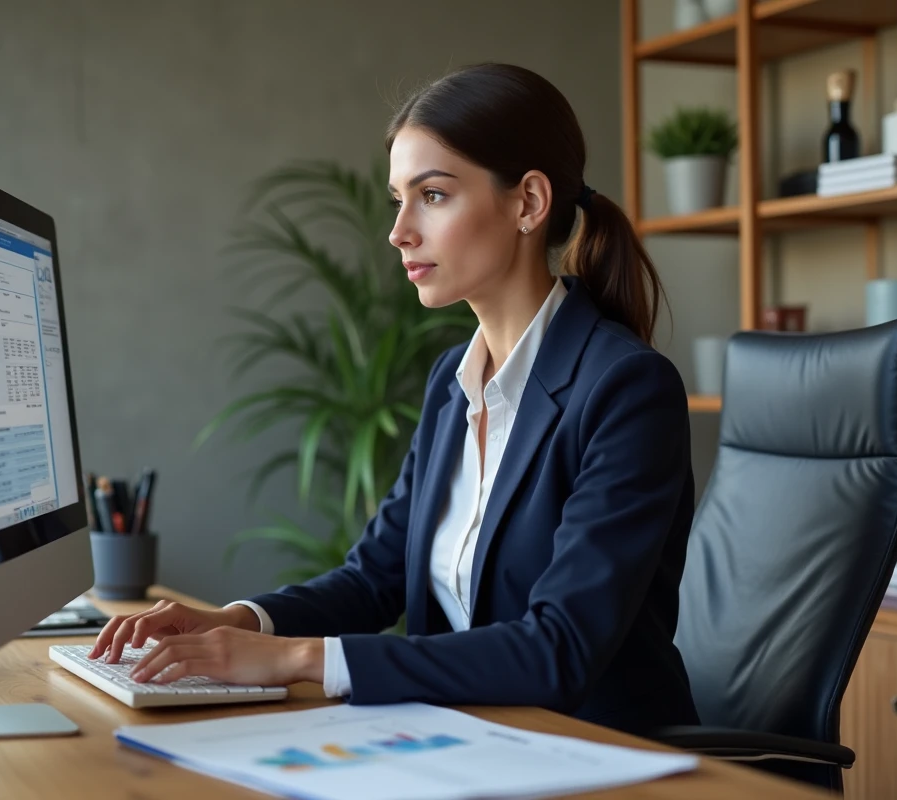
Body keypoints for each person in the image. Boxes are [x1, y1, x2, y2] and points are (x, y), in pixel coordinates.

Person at [89, 62, 700, 734]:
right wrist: (237, 622)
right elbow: (372, 578)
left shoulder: (626, 389)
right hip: (467, 742)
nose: (400, 230)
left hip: (603, 756)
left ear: (528, 202)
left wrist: (293, 658)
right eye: (397, 199)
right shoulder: (452, 382)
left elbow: (560, 650)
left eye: (432, 195)